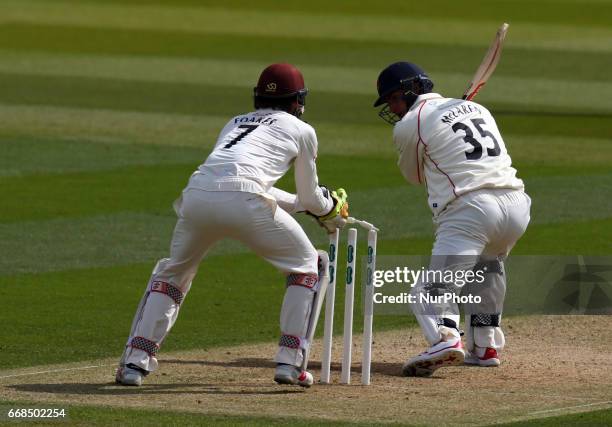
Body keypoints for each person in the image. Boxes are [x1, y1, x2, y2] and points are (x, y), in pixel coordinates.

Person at [115, 63, 349, 387]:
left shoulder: (235, 121)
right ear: (298, 101)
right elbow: (311, 199)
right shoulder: (302, 130)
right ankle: (290, 362)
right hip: (247, 202)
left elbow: (232, 176)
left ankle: (133, 363)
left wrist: (297, 204)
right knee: (309, 266)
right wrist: (329, 208)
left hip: (196, 197)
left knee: (173, 275)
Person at [373, 62, 531, 377]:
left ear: (412, 89)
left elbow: (414, 176)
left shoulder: (410, 124)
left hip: (470, 210)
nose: (392, 107)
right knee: (487, 270)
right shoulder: (479, 110)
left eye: (393, 98)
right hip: (517, 206)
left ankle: (445, 338)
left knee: (429, 291)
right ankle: (485, 345)